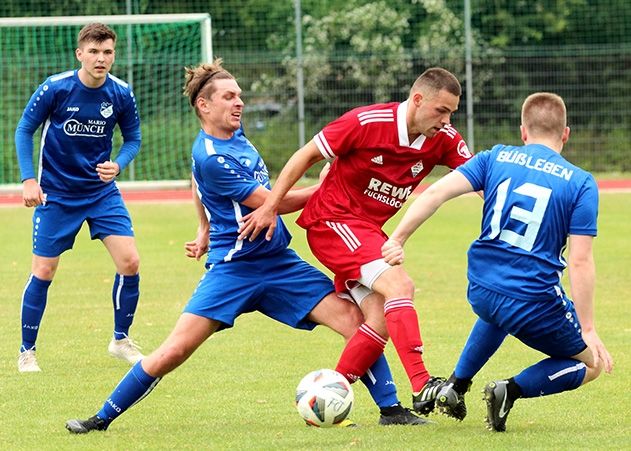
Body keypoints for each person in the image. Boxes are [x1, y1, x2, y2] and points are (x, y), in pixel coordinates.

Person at [64, 59, 427, 434]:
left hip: (280, 264)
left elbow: (195, 180)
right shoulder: (213, 156)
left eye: (239, 96)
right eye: (228, 97)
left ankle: (391, 409)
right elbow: (276, 202)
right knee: (174, 350)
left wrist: (202, 226)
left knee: (357, 321)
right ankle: (101, 418)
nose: (239, 103)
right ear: (204, 106)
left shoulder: (234, 138)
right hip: (234, 268)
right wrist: (333, 186)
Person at [239, 67, 473, 414]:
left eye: (452, 112)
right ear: (418, 99)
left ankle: (326, 397)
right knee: (399, 285)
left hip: (366, 233)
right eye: (441, 110)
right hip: (333, 222)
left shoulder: (444, 139)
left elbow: (479, 177)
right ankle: (422, 384)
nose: (446, 119)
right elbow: (306, 155)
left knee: (378, 317)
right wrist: (271, 206)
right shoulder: (366, 122)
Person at [381, 92, 614, 431]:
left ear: (523, 131)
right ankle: (511, 390)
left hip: (481, 288)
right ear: (566, 134)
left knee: (499, 311)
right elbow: (580, 261)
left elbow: (434, 193)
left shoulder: (495, 157)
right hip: (534, 301)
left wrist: (397, 238)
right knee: (591, 364)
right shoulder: (580, 183)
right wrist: (589, 329)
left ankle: (456, 386)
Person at [14, 22, 144, 372]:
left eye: (107, 52)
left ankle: (120, 339)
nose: (101, 59)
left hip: (101, 193)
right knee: (43, 270)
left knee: (130, 262)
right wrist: (29, 180)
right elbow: (24, 129)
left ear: (113, 54)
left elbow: (133, 139)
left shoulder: (120, 93)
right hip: (56, 194)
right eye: (94, 52)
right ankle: (27, 351)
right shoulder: (55, 88)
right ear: (80, 54)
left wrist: (118, 164)